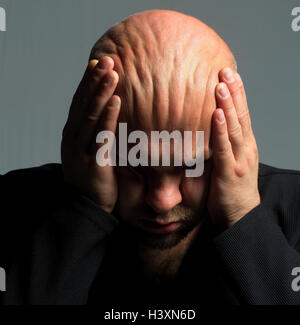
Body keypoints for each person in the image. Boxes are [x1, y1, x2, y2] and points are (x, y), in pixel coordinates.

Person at [1, 9, 300, 306]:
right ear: (87, 137)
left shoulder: (294, 210)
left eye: (192, 165)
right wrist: (82, 211)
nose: (163, 200)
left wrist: (243, 218)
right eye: (134, 164)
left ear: (236, 139)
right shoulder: (15, 206)